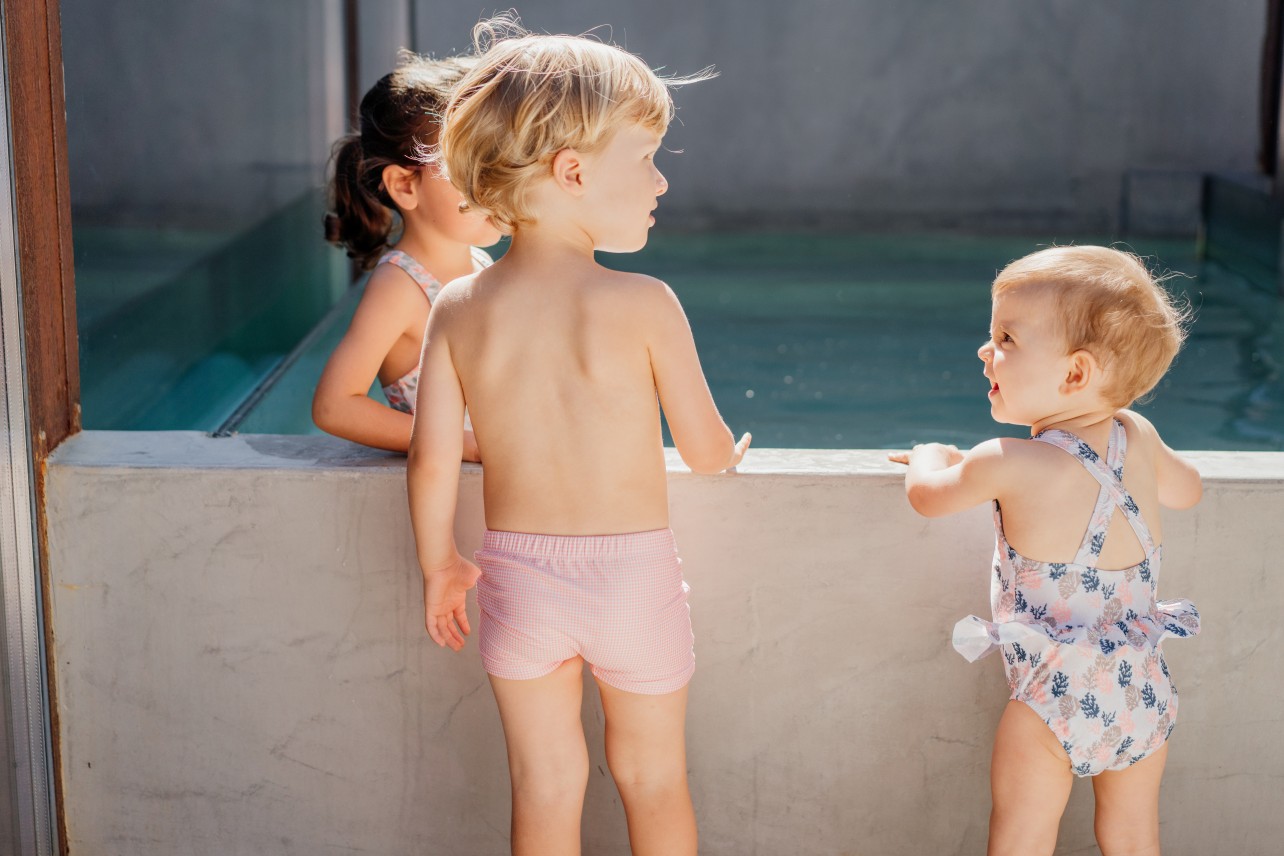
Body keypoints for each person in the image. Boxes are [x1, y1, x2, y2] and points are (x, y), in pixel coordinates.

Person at [406, 17, 747, 856]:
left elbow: (433, 454)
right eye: (646, 160)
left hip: (517, 578)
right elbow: (705, 452)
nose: (660, 183)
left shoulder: (457, 307)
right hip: (631, 577)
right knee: (653, 776)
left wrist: (441, 565)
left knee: (545, 783)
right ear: (572, 171)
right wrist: (727, 452)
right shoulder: (645, 305)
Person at [891, 246, 1201, 856]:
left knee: (1022, 839)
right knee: (1134, 837)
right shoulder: (1137, 433)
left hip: (1051, 699)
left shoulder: (1007, 461)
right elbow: (1187, 489)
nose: (987, 350)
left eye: (1005, 338)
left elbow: (928, 497)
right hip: (1138, 688)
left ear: (1075, 374)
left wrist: (931, 453)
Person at [313, 51, 500, 455]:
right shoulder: (400, 286)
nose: (498, 184)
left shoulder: (477, 261)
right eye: (472, 169)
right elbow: (335, 406)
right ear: (404, 185)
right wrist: (468, 447)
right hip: (456, 491)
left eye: (501, 162)